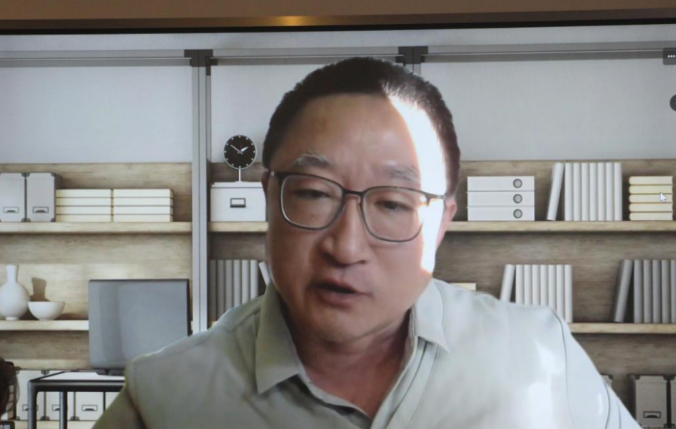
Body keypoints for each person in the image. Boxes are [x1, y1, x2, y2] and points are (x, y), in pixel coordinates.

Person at [94, 57, 639, 428]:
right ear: (269, 197)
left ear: (442, 224)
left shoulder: (541, 357)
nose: (347, 246)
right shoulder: (163, 398)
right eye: (314, 193)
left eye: (394, 204)